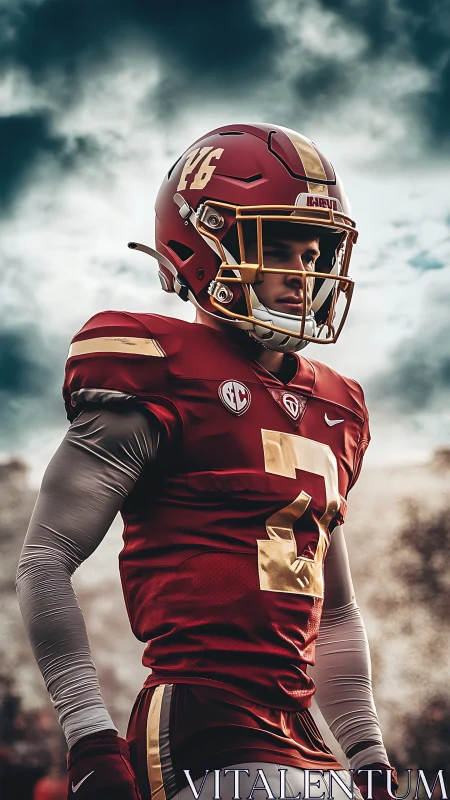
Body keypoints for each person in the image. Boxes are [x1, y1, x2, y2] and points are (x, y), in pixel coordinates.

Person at [17, 123, 398, 800]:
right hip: (200, 724)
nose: (303, 274)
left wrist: (367, 751)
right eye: (277, 246)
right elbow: (45, 558)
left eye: (314, 253)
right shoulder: (151, 363)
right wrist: (90, 735)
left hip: (304, 736)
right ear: (201, 244)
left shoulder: (337, 406)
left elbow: (333, 610)